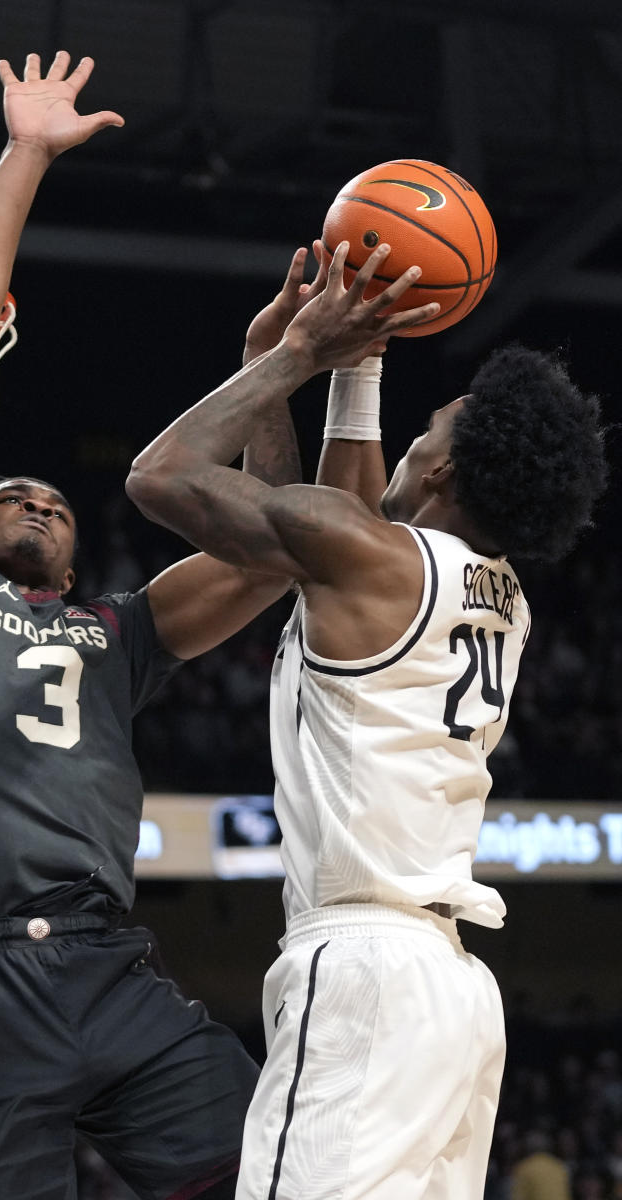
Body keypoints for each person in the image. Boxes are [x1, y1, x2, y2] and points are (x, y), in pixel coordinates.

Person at [0, 51, 330, 1200]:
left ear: (78, 553)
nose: (38, 501)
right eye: (9, 494)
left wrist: (269, 376)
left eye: (58, 503)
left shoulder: (121, 632)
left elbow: (278, 553)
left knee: (279, 1173)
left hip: (113, 972)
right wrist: (24, 153)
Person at [126, 241, 608, 1199]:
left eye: (429, 431)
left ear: (441, 472)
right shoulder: (494, 595)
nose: (415, 442)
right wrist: (355, 367)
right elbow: (325, 533)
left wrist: (297, 353)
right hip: (452, 996)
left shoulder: (380, 563)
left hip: (364, 973)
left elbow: (161, 474)